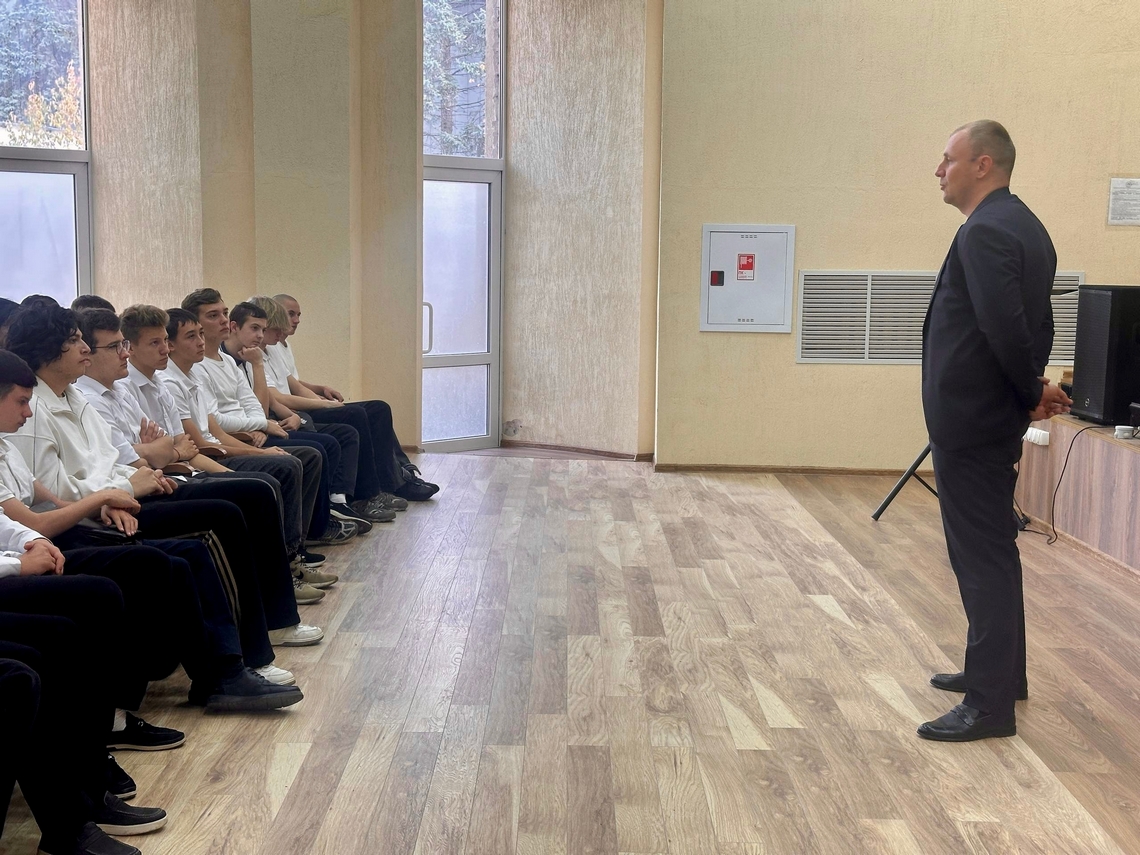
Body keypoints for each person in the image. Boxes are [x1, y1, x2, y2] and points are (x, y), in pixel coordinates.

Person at [918, 120, 1072, 742]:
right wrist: (1028, 389)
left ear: (983, 165)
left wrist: (1029, 391)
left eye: (948, 159)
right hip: (989, 414)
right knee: (991, 553)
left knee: (981, 557)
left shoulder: (985, 229)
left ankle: (989, 704)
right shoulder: (1025, 224)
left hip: (972, 420)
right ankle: (1003, 675)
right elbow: (1041, 324)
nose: (939, 170)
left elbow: (1004, 328)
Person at [71, 309, 326, 656]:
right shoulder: (94, 396)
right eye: (117, 347)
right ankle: (259, 631)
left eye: (124, 345)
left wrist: (162, 452)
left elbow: (173, 445)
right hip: (142, 491)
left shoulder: (124, 390)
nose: (124, 354)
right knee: (245, 499)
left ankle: (277, 605)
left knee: (261, 486)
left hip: (167, 474)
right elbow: (141, 459)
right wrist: (161, 452)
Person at [273, 293, 438, 506]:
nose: (296, 320)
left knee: (379, 409)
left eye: (298, 315)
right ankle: (373, 491)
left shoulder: (282, 346)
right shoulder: (267, 348)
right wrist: (323, 403)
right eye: (291, 314)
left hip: (305, 405)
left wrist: (320, 390)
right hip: (296, 412)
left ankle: (398, 478)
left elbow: (292, 382)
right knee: (357, 414)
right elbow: (278, 395)